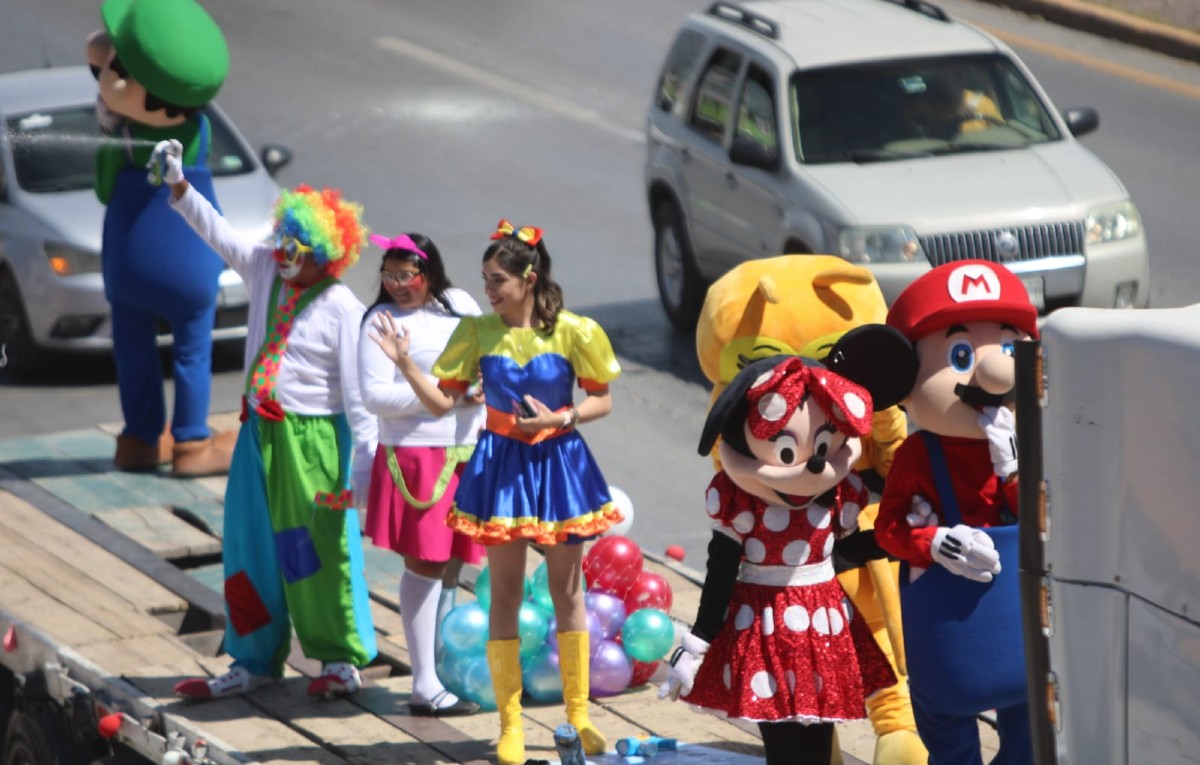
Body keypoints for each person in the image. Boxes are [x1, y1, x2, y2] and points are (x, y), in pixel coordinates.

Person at [369, 220, 623, 765]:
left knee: (568, 594)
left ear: (529, 279)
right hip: (501, 467)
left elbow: (601, 399)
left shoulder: (575, 331)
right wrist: (405, 363)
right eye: (485, 280)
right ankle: (510, 724)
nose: (488, 290)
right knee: (504, 596)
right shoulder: (477, 333)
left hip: (559, 464)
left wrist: (562, 416)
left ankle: (578, 717)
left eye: (497, 280)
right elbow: (442, 403)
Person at [148, 140, 380, 700]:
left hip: (314, 446)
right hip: (258, 435)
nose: (282, 252)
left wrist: (365, 470)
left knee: (314, 552)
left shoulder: (343, 308)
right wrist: (179, 185)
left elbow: (360, 396)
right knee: (249, 544)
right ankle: (253, 660)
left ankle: (339, 662)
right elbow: (219, 231)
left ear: (324, 252)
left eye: (295, 246)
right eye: (280, 240)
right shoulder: (263, 271)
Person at [876, 260, 1037, 765]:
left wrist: (1014, 469)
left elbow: (1046, 521)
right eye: (961, 353)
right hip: (948, 628)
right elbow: (888, 529)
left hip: (1019, 621)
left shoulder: (1029, 442)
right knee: (947, 731)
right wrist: (934, 543)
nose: (994, 372)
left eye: (1010, 349)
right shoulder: (918, 455)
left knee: (1030, 731)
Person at [357, 232, 485, 717]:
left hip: (468, 449)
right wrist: (444, 395)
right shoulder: (380, 320)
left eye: (404, 275)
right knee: (426, 562)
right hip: (416, 456)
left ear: (429, 272)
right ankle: (424, 685)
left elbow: (486, 357)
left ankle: (443, 672)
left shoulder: (459, 304)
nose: (394, 285)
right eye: (387, 276)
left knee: (453, 562)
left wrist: (482, 384)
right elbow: (374, 396)